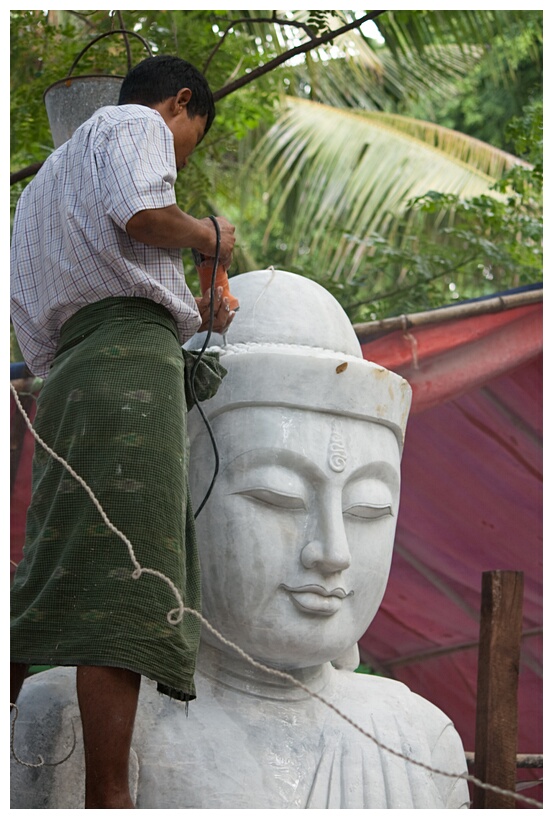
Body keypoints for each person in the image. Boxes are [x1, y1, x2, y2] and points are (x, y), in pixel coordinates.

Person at [10, 270, 470, 809]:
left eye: (368, 508)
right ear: (173, 504)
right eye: (276, 498)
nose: (332, 552)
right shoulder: (73, 717)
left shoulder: (419, 737)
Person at [10, 54, 236, 809]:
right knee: (128, 573)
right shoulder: (133, 122)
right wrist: (211, 235)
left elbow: (100, 282)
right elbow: (143, 217)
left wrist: (195, 314)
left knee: (60, 559)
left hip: (70, 375)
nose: (176, 162)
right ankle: (110, 798)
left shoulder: (41, 187)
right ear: (178, 104)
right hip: (126, 375)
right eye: (188, 144)